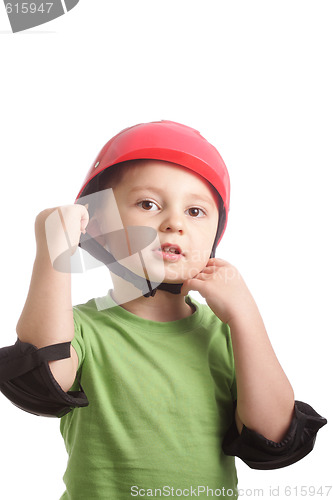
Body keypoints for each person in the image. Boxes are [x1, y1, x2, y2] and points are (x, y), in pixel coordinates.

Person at [0, 121, 327, 499]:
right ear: (99, 223)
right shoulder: (80, 330)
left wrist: (245, 317)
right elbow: (42, 376)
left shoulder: (227, 337)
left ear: (215, 236)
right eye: (148, 204)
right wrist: (53, 254)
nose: (174, 223)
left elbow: (273, 435)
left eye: (195, 211)